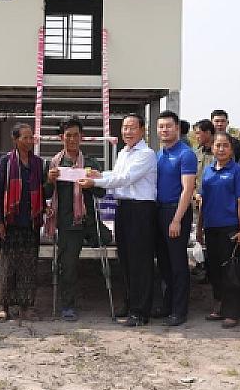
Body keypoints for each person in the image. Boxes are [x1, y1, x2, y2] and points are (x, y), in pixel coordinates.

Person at [78, 113, 157, 327]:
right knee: (126, 260)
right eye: (124, 128)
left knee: (140, 262)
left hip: (141, 210)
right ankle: (130, 304)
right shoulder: (124, 152)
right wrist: (99, 175)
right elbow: (117, 173)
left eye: (132, 128)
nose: (127, 132)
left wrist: (95, 183)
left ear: (142, 130)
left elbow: (126, 178)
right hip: (124, 208)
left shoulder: (147, 154)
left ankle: (140, 312)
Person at [43, 117, 105, 321]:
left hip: (89, 221)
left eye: (76, 135)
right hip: (68, 224)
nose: (72, 139)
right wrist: (50, 181)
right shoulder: (53, 164)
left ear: (82, 137)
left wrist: (93, 182)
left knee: (109, 240)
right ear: (61, 137)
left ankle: (110, 297)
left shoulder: (90, 162)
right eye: (68, 135)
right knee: (67, 265)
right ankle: (68, 305)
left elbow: (102, 194)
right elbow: (45, 193)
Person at [0, 124, 46, 322]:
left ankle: (26, 307)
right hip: (11, 221)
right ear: (15, 140)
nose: (29, 141)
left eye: (31, 137)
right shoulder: (5, 163)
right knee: (8, 265)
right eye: (25, 138)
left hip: (31, 222)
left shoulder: (38, 163)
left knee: (29, 266)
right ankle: (5, 307)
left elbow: (43, 190)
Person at [198, 132, 240, 328]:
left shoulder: (237, 171)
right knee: (214, 270)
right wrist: (200, 227)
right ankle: (218, 305)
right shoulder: (208, 171)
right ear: (212, 148)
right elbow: (204, 201)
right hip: (211, 227)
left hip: (231, 227)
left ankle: (233, 312)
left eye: (225, 145)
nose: (221, 149)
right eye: (217, 145)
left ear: (231, 149)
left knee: (231, 271)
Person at [153, 110, 197, 326]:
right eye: (161, 126)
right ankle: (167, 305)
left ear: (177, 128)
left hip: (175, 212)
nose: (164, 130)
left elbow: (187, 190)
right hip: (159, 211)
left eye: (168, 126)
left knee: (178, 264)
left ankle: (180, 310)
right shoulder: (159, 154)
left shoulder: (186, 154)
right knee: (163, 263)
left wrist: (177, 219)